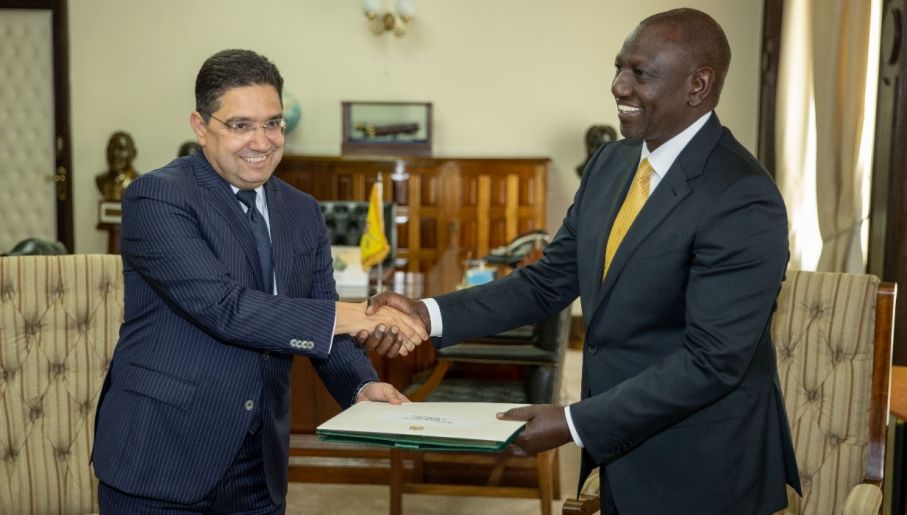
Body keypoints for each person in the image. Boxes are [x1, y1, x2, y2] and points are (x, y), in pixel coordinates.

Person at [362, 8, 801, 514]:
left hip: (704, 469)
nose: (618, 87)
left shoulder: (742, 196)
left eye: (640, 73)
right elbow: (546, 283)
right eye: (618, 69)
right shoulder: (612, 163)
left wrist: (572, 422)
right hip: (620, 456)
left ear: (697, 86)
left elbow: (711, 362)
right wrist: (428, 313)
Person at [92, 49, 425, 514]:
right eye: (240, 125)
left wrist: (360, 386)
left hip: (258, 458)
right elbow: (224, 308)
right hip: (163, 449)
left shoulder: (302, 210)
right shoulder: (158, 197)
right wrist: (357, 315)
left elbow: (319, 316)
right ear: (200, 125)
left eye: (273, 123)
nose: (262, 141)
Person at [95, 131, 139, 201]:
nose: (115, 153)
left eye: (121, 148)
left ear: (134, 153)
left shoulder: (139, 183)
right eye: (111, 149)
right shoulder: (101, 181)